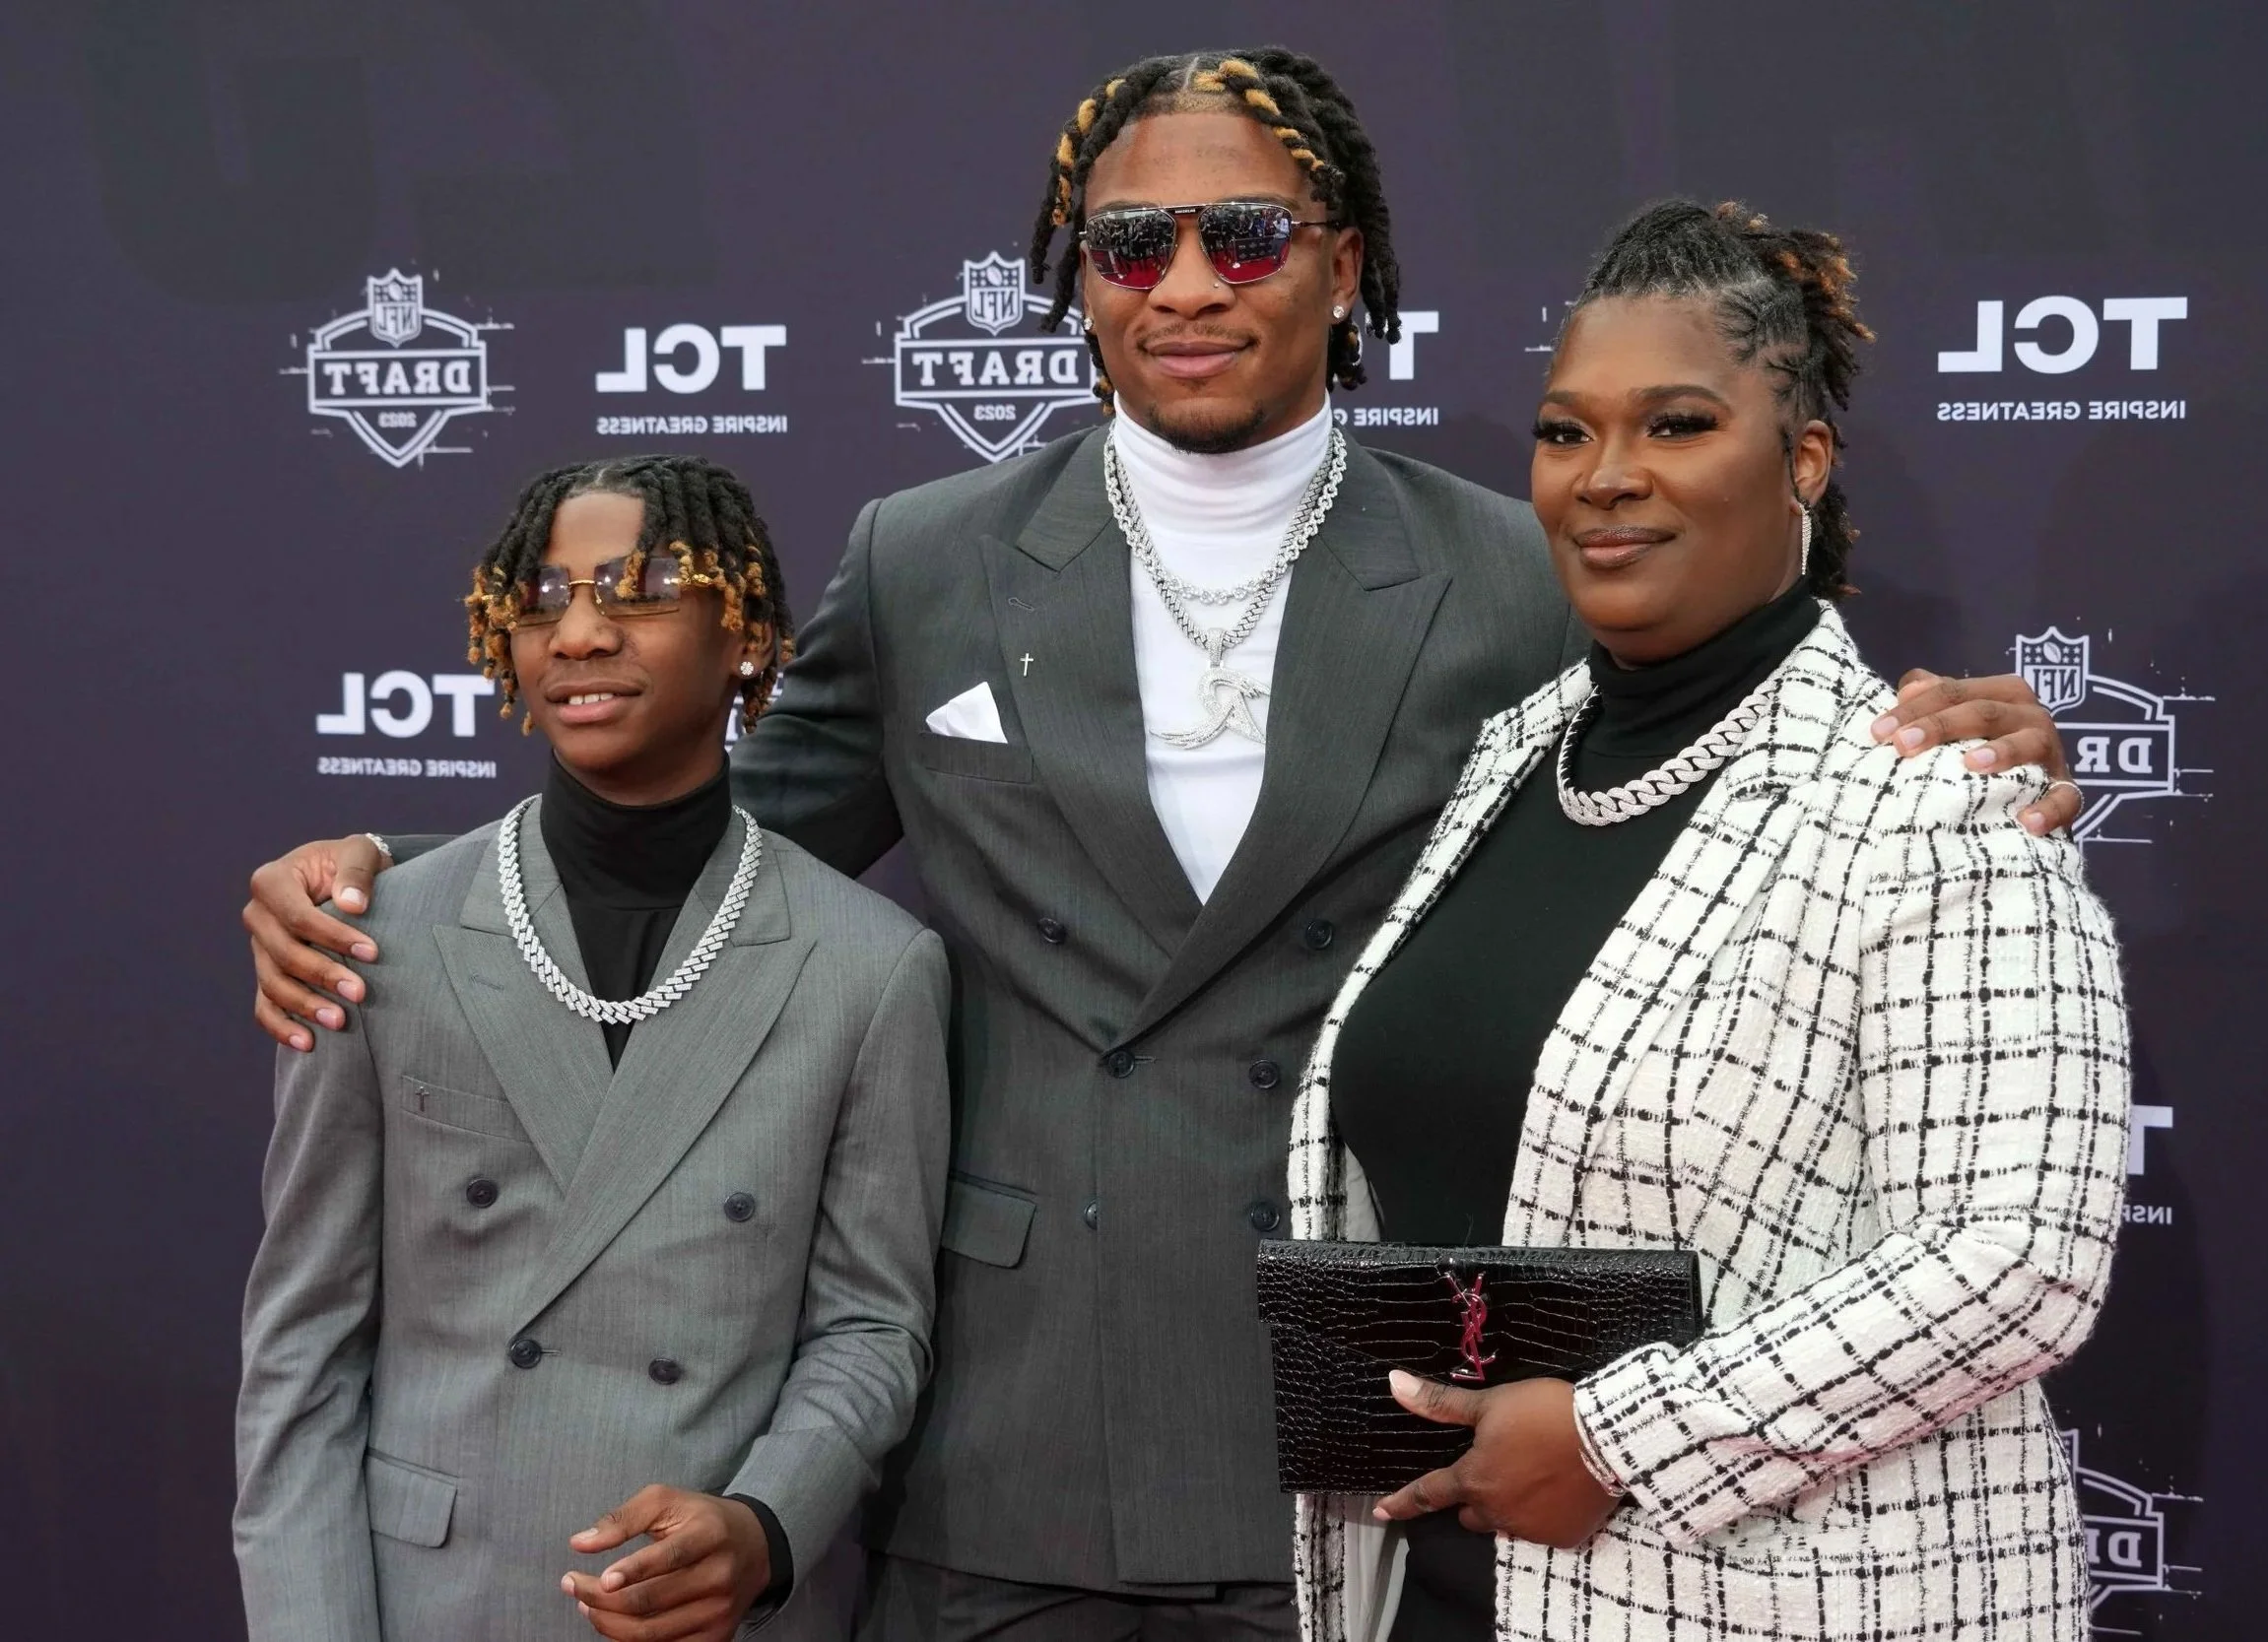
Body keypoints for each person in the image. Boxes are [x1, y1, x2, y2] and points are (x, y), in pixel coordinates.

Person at [238, 51, 2082, 1641]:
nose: (1186, 283)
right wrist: (390, 878)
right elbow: (715, 841)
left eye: (1247, 234)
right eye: (1132, 244)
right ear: (1079, 275)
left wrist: (1940, 733)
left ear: (1344, 262)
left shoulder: (1519, 566)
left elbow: (1718, 728)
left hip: (1370, 1422)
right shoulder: (932, 550)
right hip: (1014, 1412)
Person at [1287, 201, 2130, 1641]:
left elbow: (2020, 1257)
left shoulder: (1940, 798)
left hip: (1781, 1597)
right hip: (1437, 1587)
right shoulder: (1508, 762)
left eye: (1676, 425)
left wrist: (1621, 1437)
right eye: (1566, 433)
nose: (1607, 477)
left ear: (1801, 458)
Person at [233, 455, 951, 1642]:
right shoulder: (377, 940)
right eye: (544, 597)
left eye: (639, 591)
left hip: (711, 1613)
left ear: (751, 640)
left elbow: (871, 1328)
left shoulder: (871, 967)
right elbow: (301, 1346)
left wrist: (765, 1525)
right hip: (434, 1600)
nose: (577, 633)